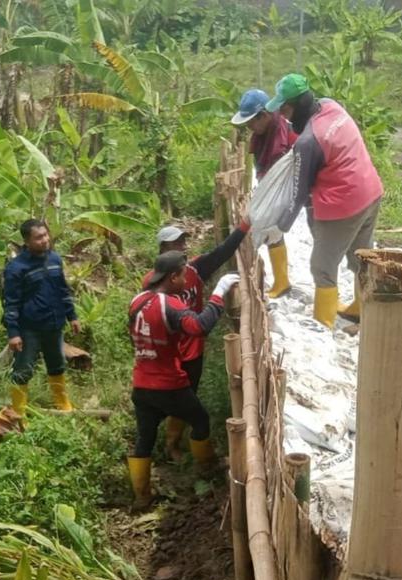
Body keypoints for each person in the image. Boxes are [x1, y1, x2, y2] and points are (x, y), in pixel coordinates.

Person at [260, 73, 383, 328]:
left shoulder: (308, 142)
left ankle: (323, 323)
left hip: (344, 205)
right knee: (361, 256)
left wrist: (279, 226)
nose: (282, 115)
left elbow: (299, 194)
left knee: (322, 266)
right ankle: (361, 309)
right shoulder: (331, 106)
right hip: (371, 191)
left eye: (284, 108)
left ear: (296, 106)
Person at [127, 251, 240, 509]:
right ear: (173, 276)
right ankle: (207, 466)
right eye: (184, 275)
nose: (186, 280)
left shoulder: (137, 300)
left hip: (141, 382)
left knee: (144, 437)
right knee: (199, 419)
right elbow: (199, 327)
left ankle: (141, 495)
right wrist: (218, 294)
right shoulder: (170, 305)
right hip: (169, 383)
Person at [142, 220, 250, 458]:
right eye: (176, 243)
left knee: (187, 396)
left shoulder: (194, 270)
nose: (182, 246)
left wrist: (244, 227)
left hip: (193, 350)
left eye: (183, 241)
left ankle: (174, 441)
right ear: (162, 248)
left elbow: (222, 253)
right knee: (178, 401)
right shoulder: (152, 283)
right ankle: (178, 448)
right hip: (168, 352)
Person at [3, 219, 81, 416]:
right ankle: (18, 413)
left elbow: (63, 290)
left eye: (46, 235)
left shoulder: (54, 259)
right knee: (23, 369)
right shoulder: (16, 268)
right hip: (29, 328)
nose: (45, 240)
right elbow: (10, 303)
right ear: (26, 241)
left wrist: (72, 316)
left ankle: (62, 404)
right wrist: (13, 333)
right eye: (39, 238)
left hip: (54, 324)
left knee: (57, 364)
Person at [231, 88, 298, 299]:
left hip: (286, 188)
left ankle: (282, 281)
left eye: (252, 121)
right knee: (272, 231)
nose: (250, 126)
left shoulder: (283, 132)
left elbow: (285, 167)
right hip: (272, 187)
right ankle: (281, 280)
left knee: (271, 228)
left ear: (265, 115)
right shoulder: (264, 133)